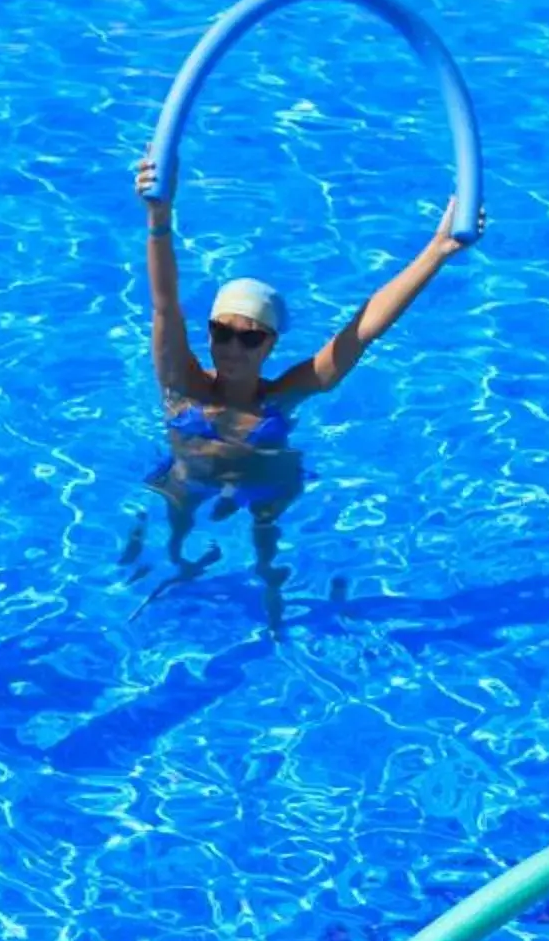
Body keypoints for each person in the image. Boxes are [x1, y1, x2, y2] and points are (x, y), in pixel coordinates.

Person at [125, 157, 466, 630]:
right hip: (189, 475)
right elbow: (164, 306)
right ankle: (177, 576)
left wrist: (438, 249)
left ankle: (274, 612)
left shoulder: (280, 396)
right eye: (222, 333)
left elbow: (361, 332)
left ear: (271, 345)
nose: (232, 348)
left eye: (250, 337)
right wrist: (157, 219)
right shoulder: (183, 386)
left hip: (267, 481)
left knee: (268, 558)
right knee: (174, 535)